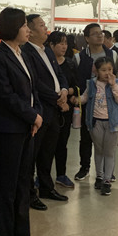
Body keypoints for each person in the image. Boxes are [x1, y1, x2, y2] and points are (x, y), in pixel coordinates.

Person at [0, 7, 42, 236]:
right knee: (6, 185)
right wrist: (32, 116)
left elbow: (32, 90)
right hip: (9, 129)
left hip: (27, 127)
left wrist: (36, 115)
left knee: (23, 180)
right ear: (12, 27)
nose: (28, 30)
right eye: (24, 26)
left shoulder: (23, 54)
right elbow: (6, 96)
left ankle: (22, 232)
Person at [22, 14, 70, 210]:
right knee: (32, 154)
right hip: (41, 109)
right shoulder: (26, 52)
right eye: (41, 25)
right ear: (31, 31)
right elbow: (35, 82)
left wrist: (64, 90)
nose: (45, 28)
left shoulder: (47, 51)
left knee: (47, 152)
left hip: (54, 110)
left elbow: (59, 74)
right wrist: (57, 98)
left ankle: (46, 187)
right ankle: (29, 194)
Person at [73, 23, 118, 181]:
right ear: (87, 38)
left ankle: (107, 171)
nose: (100, 36)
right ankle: (84, 167)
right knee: (86, 138)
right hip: (88, 105)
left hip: (109, 107)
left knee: (108, 142)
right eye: (95, 34)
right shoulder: (79, 57)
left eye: (101, 33)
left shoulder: (112, 55)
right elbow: (76, 80)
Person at [74, 57, 118, 196]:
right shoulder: (92, 84)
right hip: (95, 122)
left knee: (109, 152)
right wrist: (76, 100)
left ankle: (107, 180)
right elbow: (85, 97)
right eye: (103, 70)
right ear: (96, 71)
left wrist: (113, 85)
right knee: (99, 150)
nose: (107, 73)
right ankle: (99, 177)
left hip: (112, 123)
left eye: (110, 69)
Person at [47, 30, 78, 188]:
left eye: (65, 43)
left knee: (62, 143)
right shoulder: (45, 63)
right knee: (46, 146)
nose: (64, 46)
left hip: (66, 110)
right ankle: (43, 176)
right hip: (49, 108)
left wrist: (68, 93)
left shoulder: (70, 63)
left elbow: (76, 85)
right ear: (51, 45)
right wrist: (60, 97)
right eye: (60, 43)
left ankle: (61, 174)